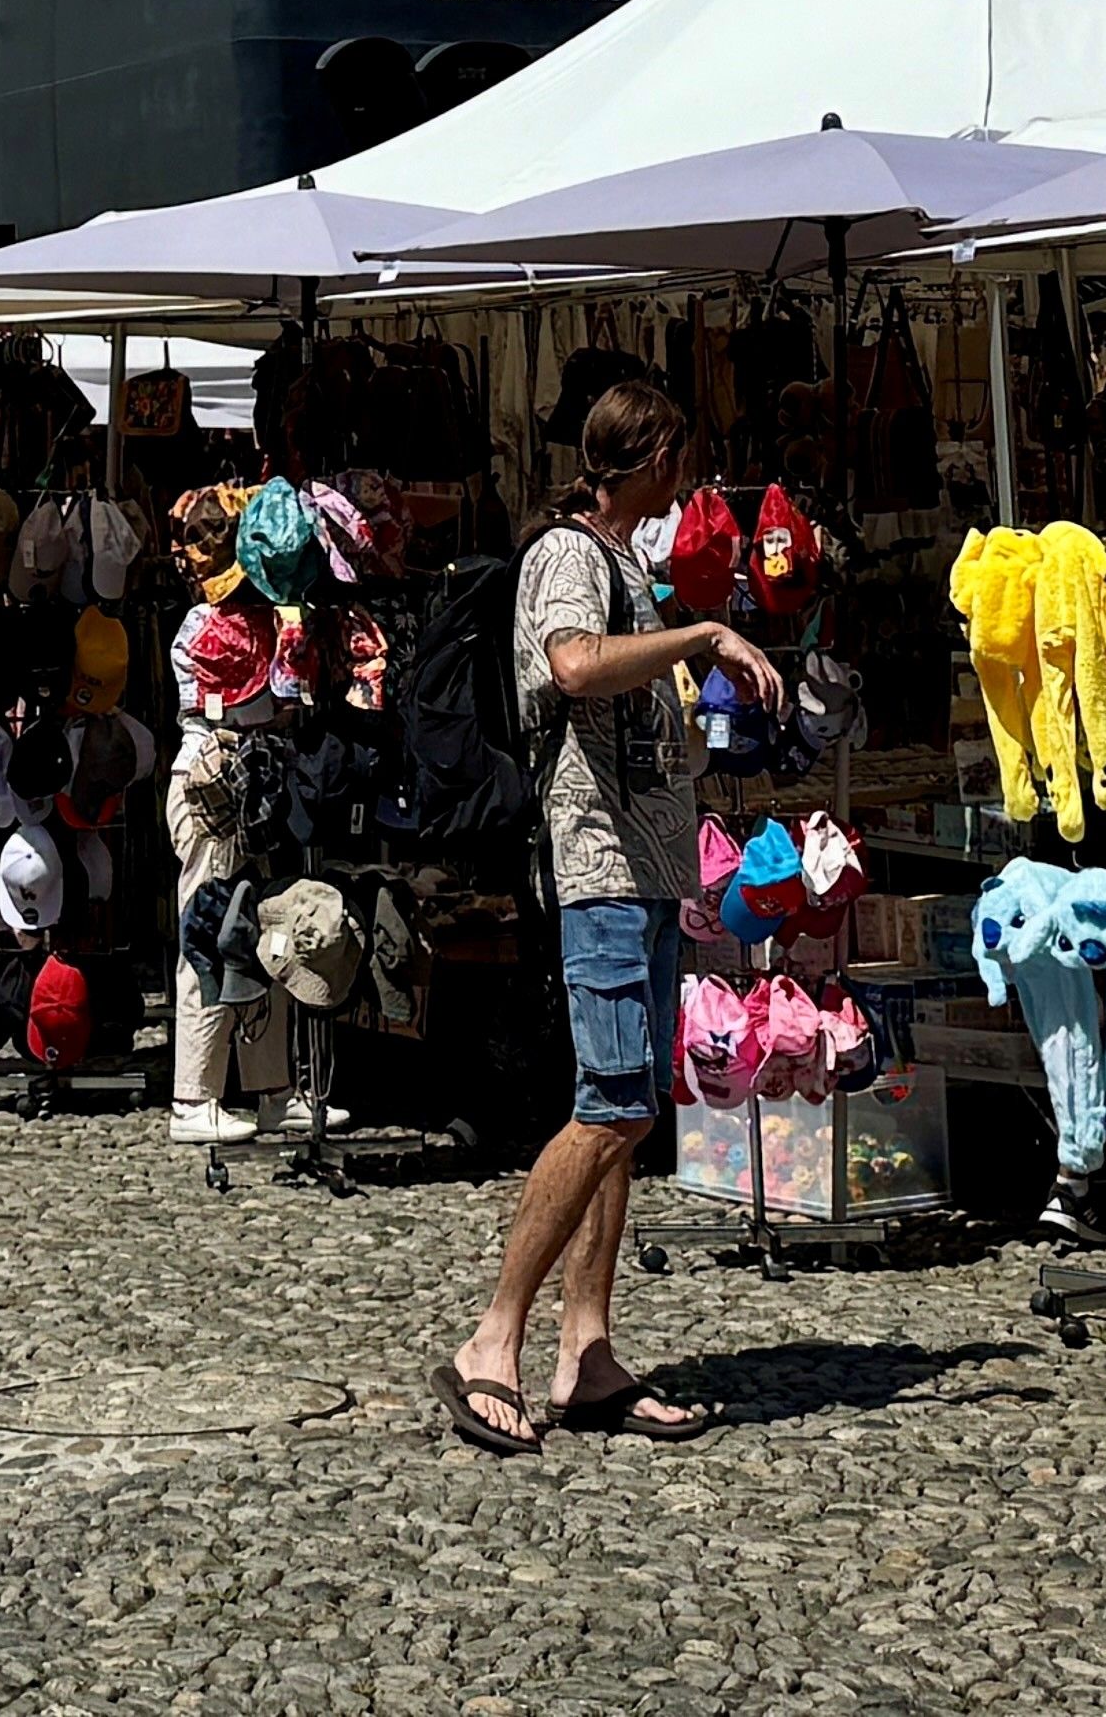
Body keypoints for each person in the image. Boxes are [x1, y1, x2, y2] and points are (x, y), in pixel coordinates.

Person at [442, 375, 783, 1456]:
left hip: (644, 867)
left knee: (631, 1111)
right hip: (594, 865)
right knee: (606, 1106)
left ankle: (585, 1349)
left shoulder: (628, 558)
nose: (683, 475)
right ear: (646, 459)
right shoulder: (565, 555)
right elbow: (575, 665)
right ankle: (490, 1341)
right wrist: (699, 638)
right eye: (674, 455)